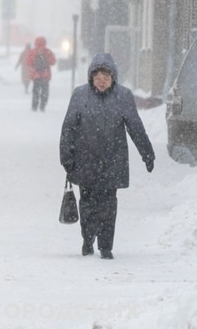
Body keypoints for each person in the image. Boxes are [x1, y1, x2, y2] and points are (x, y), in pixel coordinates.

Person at [58, 53, 154, 259]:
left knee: (108, 205)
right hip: (85, 161)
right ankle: (87, 239)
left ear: (113, 78)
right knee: (87, 202)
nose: (102, 80)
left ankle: (106, 246)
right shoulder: (80, 95)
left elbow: (135, 127)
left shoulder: (123, 96)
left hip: (113, 161)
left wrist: (147, 153)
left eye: (106, 76)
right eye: (98, 75)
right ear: (91, 77)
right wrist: (66, 156)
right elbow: (68, 128)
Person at [28, 36, 56, 112]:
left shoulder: (32, 52)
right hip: (45, 75)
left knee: (36, 92)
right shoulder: (48, 52)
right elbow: (53, 62)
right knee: (45, 92)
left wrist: (34, 73)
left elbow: (29, 63)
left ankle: (34, 107)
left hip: (36, 75)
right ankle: (42, 106)